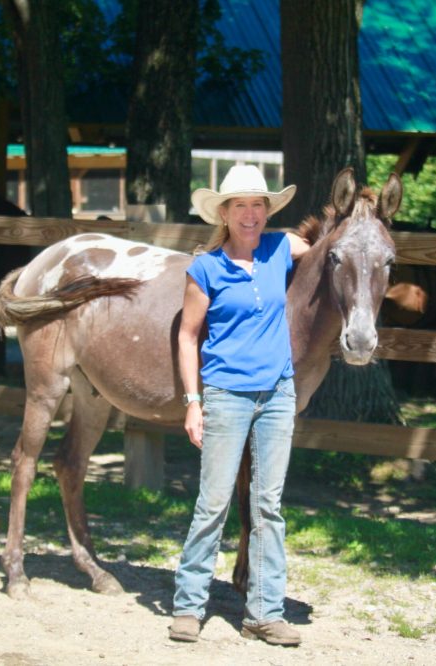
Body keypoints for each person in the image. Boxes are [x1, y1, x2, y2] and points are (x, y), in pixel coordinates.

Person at [169, 165, 310, 646]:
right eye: (239, 207)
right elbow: (188, 337)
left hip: (277, 394)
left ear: (267, 211)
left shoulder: (282, 248)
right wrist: (193, 402)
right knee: (213, 502)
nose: (250, 215)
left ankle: (265, 613)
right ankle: (188, 606)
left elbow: (333, 255)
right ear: (224, 214)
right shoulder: (204, 268)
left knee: (268, 505)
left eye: (257, 206)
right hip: (225, 394)